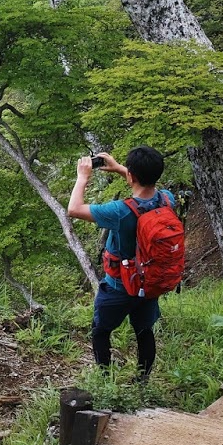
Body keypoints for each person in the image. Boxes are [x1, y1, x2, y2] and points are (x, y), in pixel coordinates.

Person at [67, 146, 173, 379]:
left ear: (131, 176)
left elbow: (74, 209)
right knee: (144, 330)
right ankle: (143, 379)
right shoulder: (167, 199)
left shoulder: (120, 212)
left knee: (101, 330)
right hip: (150, 283)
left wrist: (82, 177)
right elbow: (148, 184)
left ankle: (105, 379)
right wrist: (119, 169)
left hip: (119, 285)